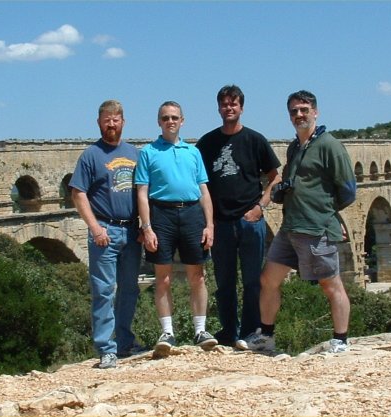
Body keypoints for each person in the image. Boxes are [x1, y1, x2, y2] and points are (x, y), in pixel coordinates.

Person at [244, 90, 357, 353]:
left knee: (331, 285)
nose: (299, 115)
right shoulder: (295, 147)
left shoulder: (330, 145)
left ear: (315, 112)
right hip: (290, 227)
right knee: (268, 280)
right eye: (294, 111)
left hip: (316, 228)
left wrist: (327, 212)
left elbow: (349, 190)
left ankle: (341, 340)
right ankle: (267, 336)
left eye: (304, 109)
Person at [196, 85, 281, 349]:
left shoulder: (255, 140)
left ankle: (250, 331)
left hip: (250, 221)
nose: (228, 108)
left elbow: (275, 176)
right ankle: (229, 331)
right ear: (218, 108)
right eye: (224, 104)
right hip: (220, 223)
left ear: (241, 107)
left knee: (253, 280)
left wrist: (261, 206)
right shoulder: (207, 143)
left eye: (233, 104)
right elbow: (199, 182)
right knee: (224, 282)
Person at [135, 101, 217, 356]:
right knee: (164, 277)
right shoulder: (148, 152)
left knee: (198, 275)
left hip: (192, 213)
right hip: (161, 214)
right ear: (159, 122)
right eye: (165, 118)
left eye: (174, 117)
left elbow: (204, 190)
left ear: (182, 121)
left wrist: (209, 225)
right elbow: (142, 191)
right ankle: (167, 332)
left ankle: (200, 330)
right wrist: (147, 227)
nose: (170, 121)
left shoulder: (193, 152)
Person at [69, 100, 142, 369]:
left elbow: (144, 192)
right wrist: (95, 228)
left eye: (116, 119)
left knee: (129, 289)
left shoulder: (135, 153)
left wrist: (145, 227)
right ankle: (106, 348)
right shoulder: (90, 155)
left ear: (123, 121)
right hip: (105, 230)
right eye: (106, 120)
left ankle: (124, 342)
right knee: (103, 291)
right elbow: (78, 193)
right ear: (99, 123)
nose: (111, 124)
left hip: (132, 230)